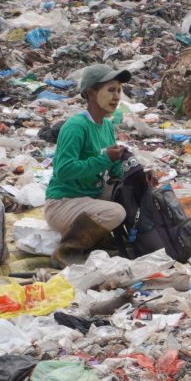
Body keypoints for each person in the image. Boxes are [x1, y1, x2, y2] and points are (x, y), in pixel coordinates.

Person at [44, 64, 130, 266]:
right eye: (110, 90)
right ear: (91, 93)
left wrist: (128, 169)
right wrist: (105, 159)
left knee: (131, 193)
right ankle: (66, 251)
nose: (116, 96)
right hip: (62, 203)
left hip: (88, 197)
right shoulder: (76, 126)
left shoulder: (107, 126)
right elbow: (63, 170)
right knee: (116, 212)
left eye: (119, 90)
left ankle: (101, 237)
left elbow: (113, 170)